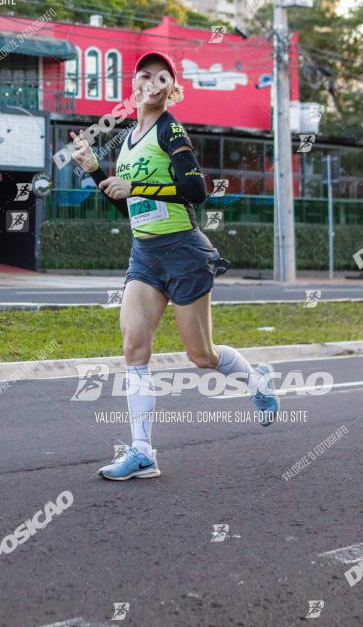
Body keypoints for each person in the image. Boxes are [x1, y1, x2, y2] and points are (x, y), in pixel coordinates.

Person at [70, 51, 279, 482]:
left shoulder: (171, 129)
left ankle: (257, 382)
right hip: (144, 254)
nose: (151, 81)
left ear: (170, 88)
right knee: (133, 347)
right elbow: (122, 200)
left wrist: (137, 184)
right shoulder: (129, 137)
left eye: (160, 77)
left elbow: (196, 189)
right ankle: (143, 451)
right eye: (143, 75)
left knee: (201, 355)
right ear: (134, 83)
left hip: (184, 251)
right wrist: (93, 169)